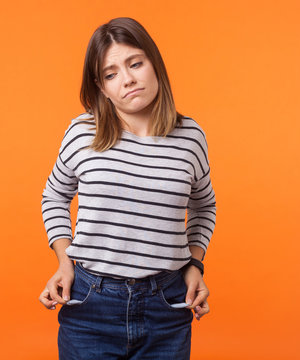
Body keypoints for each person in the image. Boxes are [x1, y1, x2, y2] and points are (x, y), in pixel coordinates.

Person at [38, 17, 217, 360]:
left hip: (167, 305)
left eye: (135, 63)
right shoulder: (81, 133)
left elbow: (204, 205)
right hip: (90, 303)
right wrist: (64, 262)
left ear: (154, 64)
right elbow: (55, 195)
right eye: (111, 73)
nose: (128, 79)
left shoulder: (191, 137)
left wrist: (195, 265)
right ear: (101, 87)